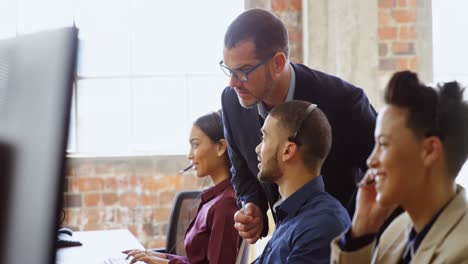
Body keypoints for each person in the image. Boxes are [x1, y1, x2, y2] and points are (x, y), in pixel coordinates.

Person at [220, 8, 376, 243]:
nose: (233, 83)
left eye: (243, 71)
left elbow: (384, 172)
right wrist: (252, 204)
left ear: (277, 62)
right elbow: (240, 170)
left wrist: (354, 231)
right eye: (229, 70)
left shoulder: (345, 103)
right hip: (286, 242)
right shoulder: (232, 102)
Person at [331, 71, 468, 263]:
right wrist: (360, 233)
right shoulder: (394, 232)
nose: (371, 161)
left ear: (430, 150)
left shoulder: (461, 252)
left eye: (384, 144)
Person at [124, 111, 240, 264]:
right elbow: (197, 261)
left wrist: (166, 263)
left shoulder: (225, 204)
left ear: (220, 147)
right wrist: (160, 257)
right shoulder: (214, 199)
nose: (190, 155)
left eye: (196, 145)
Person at [251, 100, 351, 263]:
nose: (257, 148)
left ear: (288, 150)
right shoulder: (291, 215)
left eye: (264, 137)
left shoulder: (322, 224)